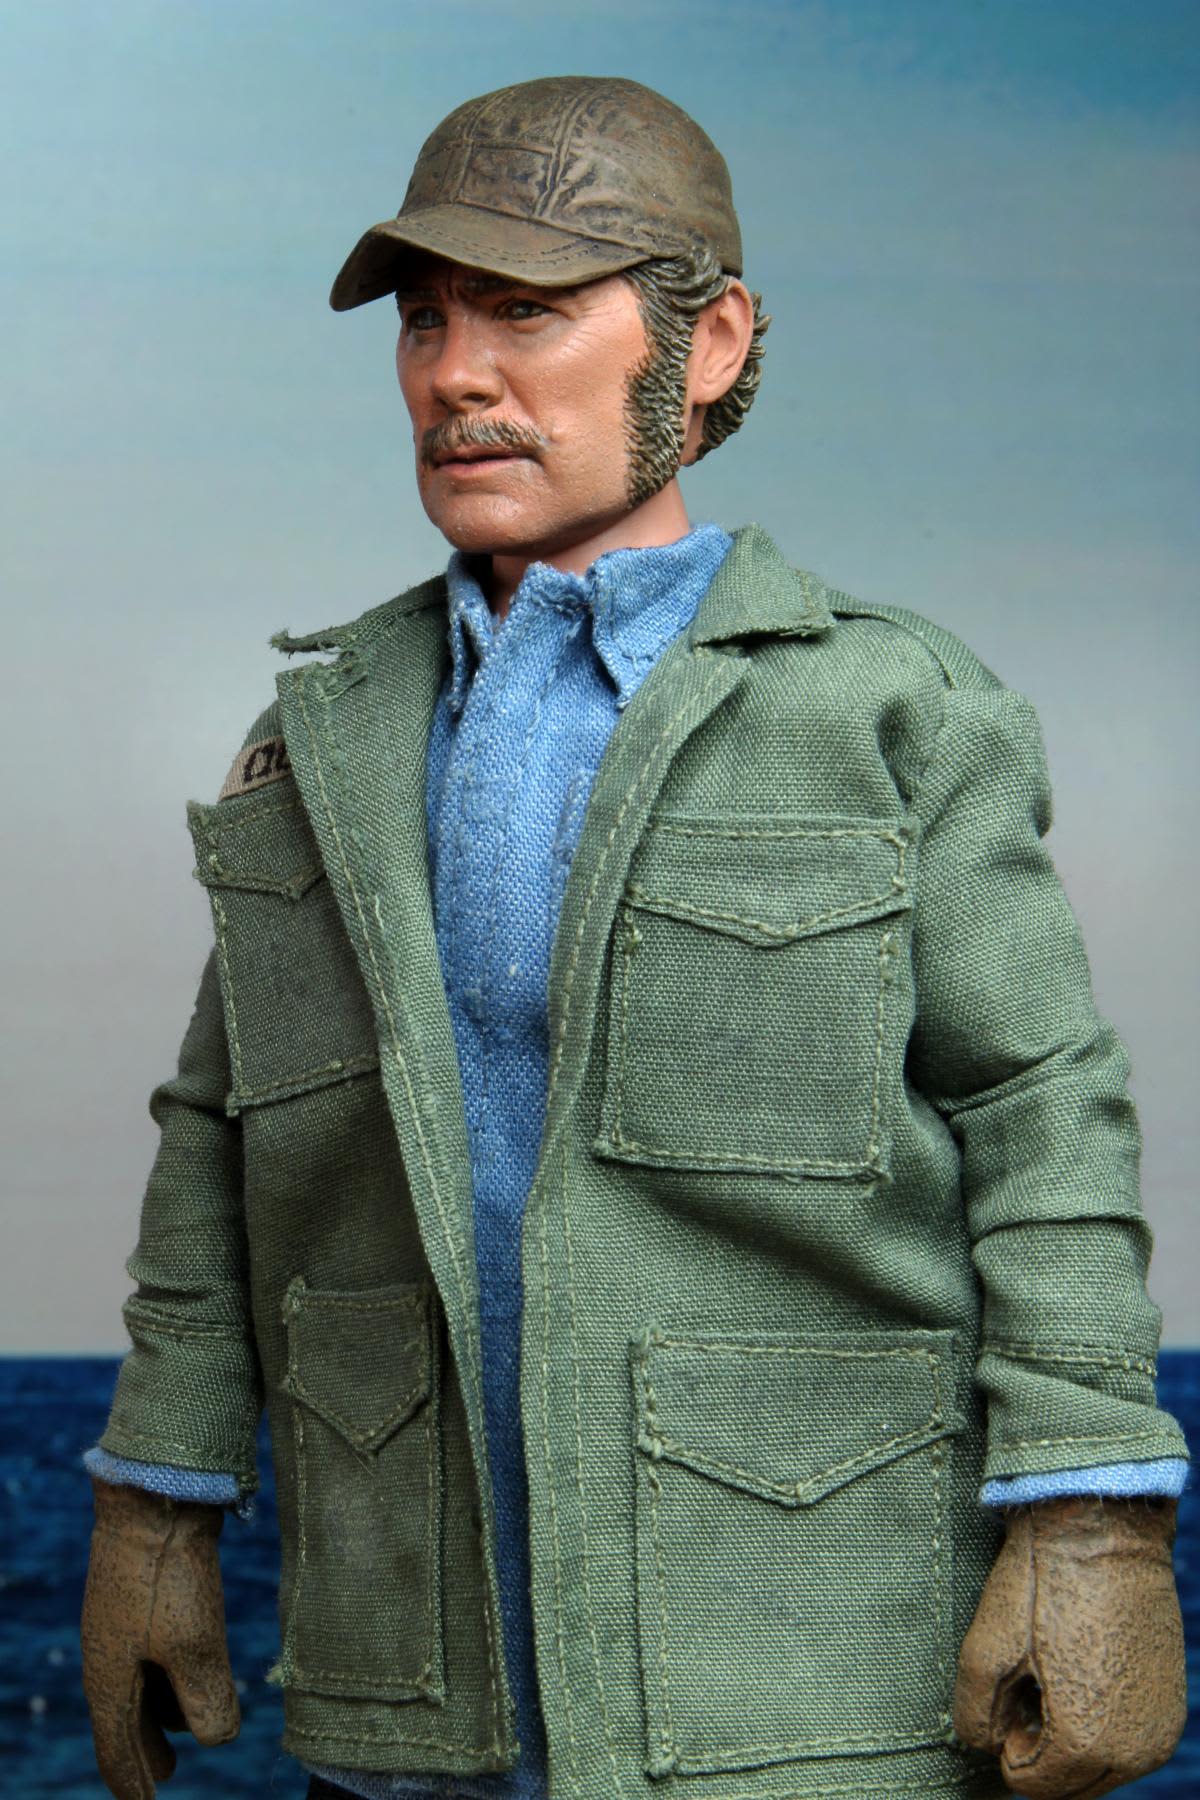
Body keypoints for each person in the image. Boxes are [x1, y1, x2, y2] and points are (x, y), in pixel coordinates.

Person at [80, 76, 1188, 1800]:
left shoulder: (886, 712)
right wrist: (155, 1506)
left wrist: (1092, 1520)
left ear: (711, 343)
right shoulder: (326, 740)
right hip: (409, 1686)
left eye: (526, 310)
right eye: (428, 320)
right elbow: (226, 1137)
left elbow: (1040, 1114)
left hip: (806, 1687)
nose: (457, 374)